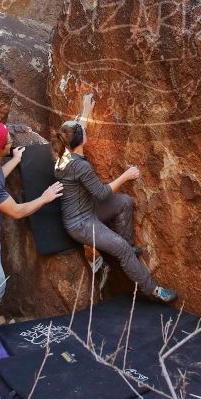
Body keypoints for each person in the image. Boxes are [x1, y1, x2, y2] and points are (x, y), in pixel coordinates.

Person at [54, 94, 177, 303]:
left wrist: (85, 110)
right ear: (80, 139)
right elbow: (101, 193)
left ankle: (127, 249)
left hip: (88, 209)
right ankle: (156, 291)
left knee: (124, 202)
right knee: (119, 248)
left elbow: (76, 131)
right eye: (83, 130)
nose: (85, 129)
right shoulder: (80, 166)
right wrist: (126, 176)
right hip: (81, 223)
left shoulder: (65, 153)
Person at [0, 122, 63, 369]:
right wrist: (45, 197)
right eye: (8, 140)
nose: (11, 141)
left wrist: (15, 160)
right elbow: (17, 211)